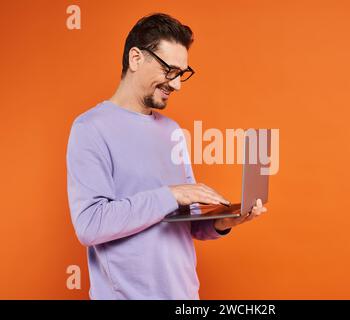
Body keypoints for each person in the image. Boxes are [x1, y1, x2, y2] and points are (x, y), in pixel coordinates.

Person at [66, 13, 267, 300]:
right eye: (169, 70)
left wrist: (221, 222)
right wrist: (171, 194)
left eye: (182, 73)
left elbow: (185, 220)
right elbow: (90, 225)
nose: (176, 85)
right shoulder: (90, 128)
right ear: (136, 58)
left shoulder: (171, 130)